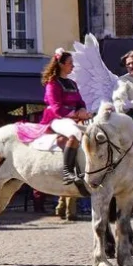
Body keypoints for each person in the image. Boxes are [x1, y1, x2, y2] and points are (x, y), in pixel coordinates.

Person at [41, 48, 91, 187]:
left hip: (73, 118)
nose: (73, 66)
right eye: (70, 63)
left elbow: (80, 102)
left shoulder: (72, 83)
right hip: (56, 118)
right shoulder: (53, 83)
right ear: (61, 64)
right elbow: (56, 107)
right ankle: (67, 171)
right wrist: (76, 114)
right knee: (74, 133)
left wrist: (82, 110)